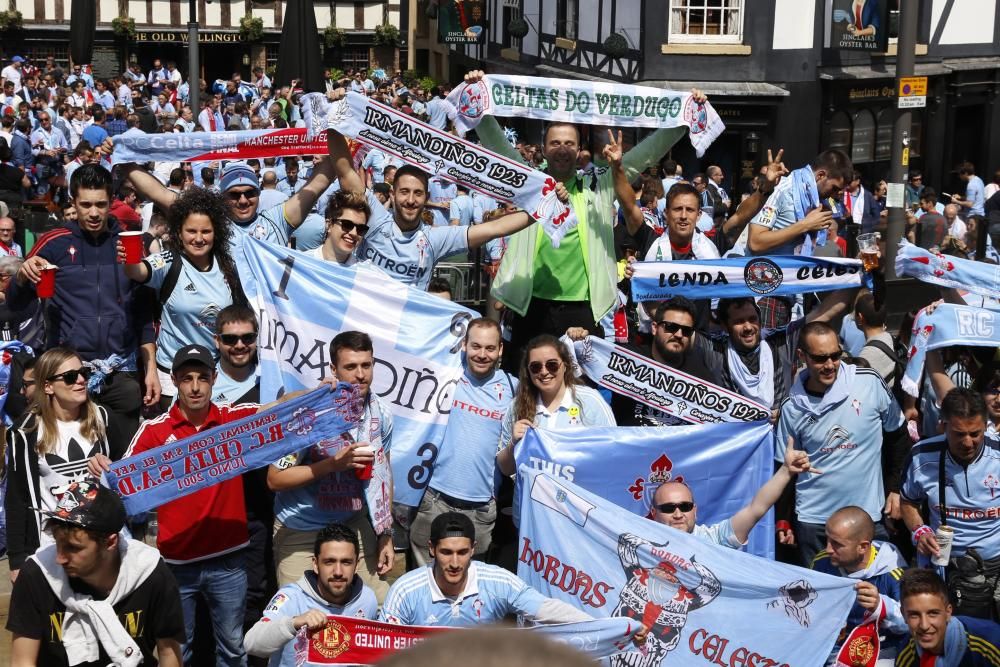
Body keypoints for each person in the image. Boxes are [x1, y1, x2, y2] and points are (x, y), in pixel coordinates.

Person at [93, 345, 259, 665]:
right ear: (175, 382)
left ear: (214, 380)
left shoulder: (232, 418)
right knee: (176, 650)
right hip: (176, 564)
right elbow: (123, 480)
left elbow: (277, 412)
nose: (195, 387)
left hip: (229, 559)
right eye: (186, 379)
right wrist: (105, 468)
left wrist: (319, 392)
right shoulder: (154, 431)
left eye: (201, 378)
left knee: (233, 649)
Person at [8, 164, 158, 441]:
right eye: (85, 204)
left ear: (111, 201)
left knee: (122, 463)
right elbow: (17, 305)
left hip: (122, 373)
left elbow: (144, 313)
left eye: (100, 204)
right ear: (73, 202)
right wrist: (21, 275)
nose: (93, 213)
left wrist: (151, 370)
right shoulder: (54, 243)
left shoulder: (129, 242)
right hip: (70, 378)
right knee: (74, 468)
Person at [326, 106, 546, 291]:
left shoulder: (434, 239)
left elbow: (494, 229)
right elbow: (345, 172)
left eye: (418, 193)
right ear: (392, 194)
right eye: (404, 192)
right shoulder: (374, 218)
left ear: (427, 197)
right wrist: (335, 113)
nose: (410, 200)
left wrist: (545, 206)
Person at [268, 331, 395, 599]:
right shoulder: (308, 413)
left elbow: (385, 473)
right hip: (302, 528)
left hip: (354, 524)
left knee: (378, 607)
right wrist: (330, 466)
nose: (360, 374)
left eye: (366, 365)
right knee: (300, 619)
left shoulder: (381, 413)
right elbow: (275, 479)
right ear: (334, 369)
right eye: (350, 367)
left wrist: (385, 533)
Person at [7, 481, 184, 667]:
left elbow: (169, 654)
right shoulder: (37, 574)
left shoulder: (150, 572)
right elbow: (22, 661)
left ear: (110, 542)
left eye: (73, 548)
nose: (60, 558)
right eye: (58, 543)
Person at [775, 320, 909, 566]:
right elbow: (782, 469)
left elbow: (899, 437)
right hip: (815, 524)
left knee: (881, 599)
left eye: (835, 356)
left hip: (868, 519)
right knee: (821, 600)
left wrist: (895, 488)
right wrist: (783, 519)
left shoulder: (869, 382)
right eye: (820, 358)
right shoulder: (792, 407)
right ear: (801, 356)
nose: (829, 365)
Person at [5, 348, 124, 582]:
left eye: (83, 373)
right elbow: (17, 498)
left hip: (102, 547)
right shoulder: (26, 431)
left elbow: (128, 476)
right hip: (53, 550)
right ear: (48, 386)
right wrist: (18, 559)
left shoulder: (103, 418)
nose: (80, 380)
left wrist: (113, 471)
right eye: (70, 376)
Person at [120, 187, 245, 405]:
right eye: (191, 231)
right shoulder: (169, 261)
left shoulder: (228, 267)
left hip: (215, 373)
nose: (198, 238)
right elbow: (138, 272)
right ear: (179, 233)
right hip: (172, 374)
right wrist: (128, 260)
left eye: (205, 231)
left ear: (216, 234)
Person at [409, 319, 516, 565]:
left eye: (490, 348)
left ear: (500, 350)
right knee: (423, 586)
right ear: (464, 345)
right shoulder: (446, 375)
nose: (482, 354)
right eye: (476, 346)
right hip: (432, 500)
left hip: (480, 510)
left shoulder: (513, 388)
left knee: (467, 591)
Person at [380, 512, 595, 627]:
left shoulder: (498, 581)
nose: (455, 563)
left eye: (462, 552)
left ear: (473, 549)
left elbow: (547, 610)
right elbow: (382, 647)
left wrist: (608, 627)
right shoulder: (405, 591)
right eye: (446, 552)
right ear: (431, 549)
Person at [900, 388, 1000, 621]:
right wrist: (920, 531)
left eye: (975, 433)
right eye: (959, 434)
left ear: (986, 425)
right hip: (950, 567)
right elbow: (908, 501)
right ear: (943, 425)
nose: (968, 442)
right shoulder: (921, 456)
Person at [244, 523, 379, 667]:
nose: (338, 571)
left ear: (357, 565)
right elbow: (251, 643)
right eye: (329, 562)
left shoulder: (367, 599)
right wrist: (294, 623)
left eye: (346, 562)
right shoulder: (290, 598)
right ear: (315, 564)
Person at [746, 150, 852, 326]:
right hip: (765, 294)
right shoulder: (783, 190)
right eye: (834, 188)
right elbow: (756, 242)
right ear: (820, 175)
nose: (834, 195)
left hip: (792, 293)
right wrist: (805, 225)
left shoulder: (813, 201)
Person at [652, 435, 815, 548]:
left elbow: (756, 508)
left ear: (695, 510)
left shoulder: (714, 539)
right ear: (654, 513)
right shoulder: (640, 541)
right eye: (668, 508)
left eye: (685, 506)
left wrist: (786, 471)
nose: (678, 514)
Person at [496, 335, 615, 475]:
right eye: (535, 367)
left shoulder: (591, 401)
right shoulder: (517, 406)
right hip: (529, 496)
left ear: (565, 365)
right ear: (528, 371)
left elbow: (612, 456)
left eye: (552, 364)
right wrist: (513, 443)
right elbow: (505, 469)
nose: (544, 372)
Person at [811, 506, 909, 660]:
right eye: (827, 539)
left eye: (836, 543)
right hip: (829, 647)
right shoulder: (822, 562)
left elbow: (910, 623)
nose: (828, 549)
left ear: (862, 547)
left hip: (880, 650)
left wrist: (881, 606)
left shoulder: (893, 572)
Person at [894, 569, 1000, 666]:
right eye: (914, 615)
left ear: (948, 612)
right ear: (903, 615)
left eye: (933, 613)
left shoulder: (990, 645)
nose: (924, 625)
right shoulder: (906, 655)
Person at [307, 189, 370, 266]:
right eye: (347, 225)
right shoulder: (302, 264)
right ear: (329, 225)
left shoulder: (366, 274)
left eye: (361, 229)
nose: (354, 233)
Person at [213, 304, 260, 405]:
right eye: (230, 339)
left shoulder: (270, 378)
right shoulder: (201, 385)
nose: (240, 345)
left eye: (248, 337)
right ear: (217, 341)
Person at [843, 170, 882, 234]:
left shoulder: (867, 195)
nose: (847, 183)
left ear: (857, 181)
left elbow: (876, 214)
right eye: (846, 181)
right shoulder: (841, 194)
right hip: (847, 230)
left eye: (850, 182)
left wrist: (869, 227)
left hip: (863, 231)